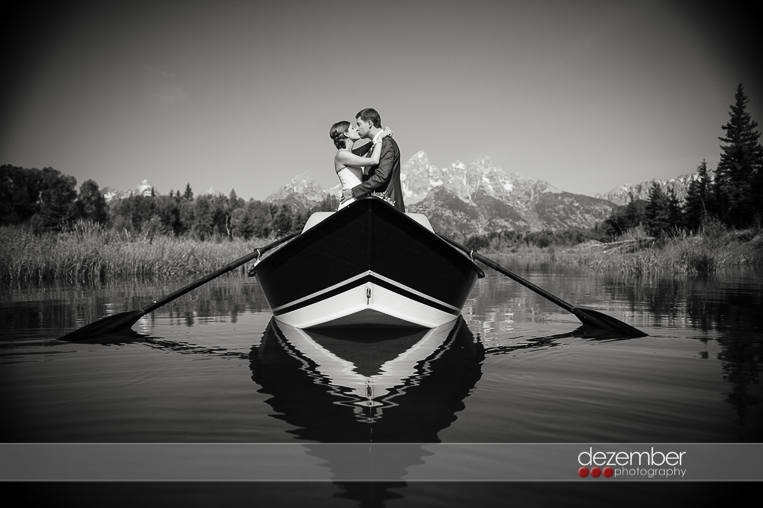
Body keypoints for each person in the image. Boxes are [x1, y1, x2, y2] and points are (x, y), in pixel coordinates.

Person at [342, 108, 405, 213]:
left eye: (359, 124)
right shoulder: (377, 144)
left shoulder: (386, 143)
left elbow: (381, 176)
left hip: (388, 207)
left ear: (369, 123)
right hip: (376, 207)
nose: (357, 128)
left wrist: (354, 192)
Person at [329, 120, 389, 210]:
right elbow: (374, 161)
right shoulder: (342, 155)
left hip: (357, 199)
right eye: (352, 128)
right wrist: (380, 139)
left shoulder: (350, 154)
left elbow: (371, 143)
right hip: (351, 201)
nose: (357, 129)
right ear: (346, 134)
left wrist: (382, 132)